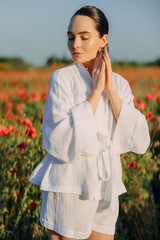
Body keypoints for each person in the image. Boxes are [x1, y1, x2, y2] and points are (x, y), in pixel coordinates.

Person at [29, 5, 150, 240]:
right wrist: (95, 93)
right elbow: (58, 139)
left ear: (103, 40)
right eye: (71, 37)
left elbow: (139, 140)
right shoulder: (62, 79)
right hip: (69, 183)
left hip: (107, 182)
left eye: (84, 37)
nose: (75, 44)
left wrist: (110, 90)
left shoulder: (120, 84)